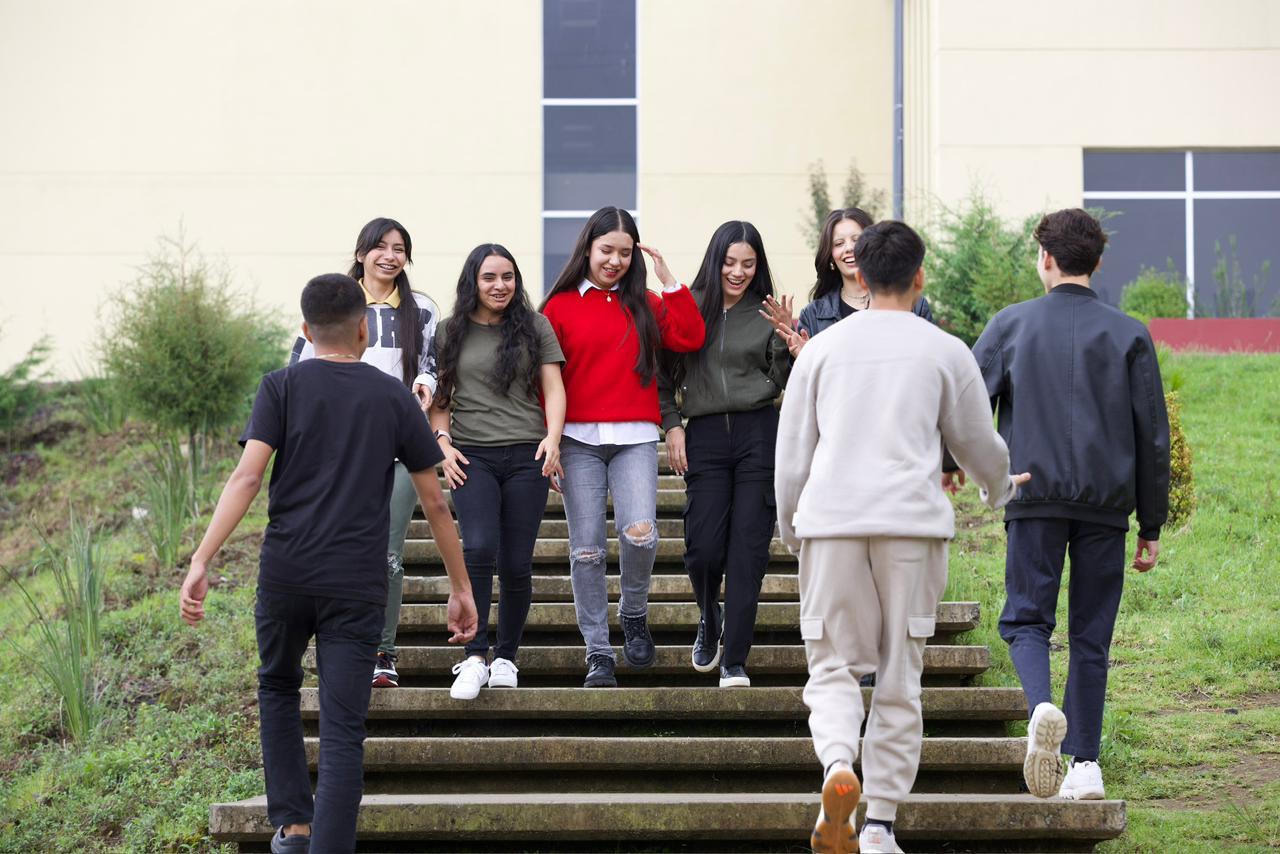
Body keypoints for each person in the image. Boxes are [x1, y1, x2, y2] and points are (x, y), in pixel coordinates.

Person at [179, 274, 475, 853]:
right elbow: (436, 501)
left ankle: (292, 827)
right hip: (356, 582)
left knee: (278, 687)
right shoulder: (391, 396)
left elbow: (246, 477)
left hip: (287, 573)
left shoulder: (280, 386)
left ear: (304, 329)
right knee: (343, 728)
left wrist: (200, 558)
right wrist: (459, 587)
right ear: (365, 329)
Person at [777, 221, 1026, 854]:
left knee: (831, 666)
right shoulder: (944, 350)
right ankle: (881, 821)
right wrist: (999, 489)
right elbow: (977, 442)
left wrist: (791, 526)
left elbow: (793, 455)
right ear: (919, 278)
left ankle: (838, 767)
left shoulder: (824, 350)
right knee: (899, 673)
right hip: (912, 526)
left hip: (832, 521)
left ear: (857, 273)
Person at [971, 208, 1169, 801]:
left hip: (1031, 494)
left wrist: (977, 474)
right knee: (1091, 634)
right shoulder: (1131, 332)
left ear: (1046, 259)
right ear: (1098, 263)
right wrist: (1151, 524)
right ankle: (1085, 765)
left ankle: (1040, 712)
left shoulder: (1010, 325)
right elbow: (1152, 436)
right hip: (1107, 508)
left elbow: (965, 409)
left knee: (1027, 619)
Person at [541, 206, 705, 688]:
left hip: (634, 436)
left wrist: (669, 281)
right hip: (577, 441)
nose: (613, 260)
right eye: (605, 250)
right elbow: (544, 382)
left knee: (641, 535)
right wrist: (548, 440)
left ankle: (633, 611)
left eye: (624, 253)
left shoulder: (647, 304)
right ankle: (598, 651)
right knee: (587, 551)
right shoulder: (560, 306)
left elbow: (691, 336)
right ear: (587, 249)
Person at [289, 217, 442, 690]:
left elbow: (434, 364)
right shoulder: (337, 302)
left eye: (399, 248)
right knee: (336, 549)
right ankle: (338, 644)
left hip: (397, 445)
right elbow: (299, 363)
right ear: (361, 253)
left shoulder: (421, 309)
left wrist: (425, 386)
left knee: (387, 554)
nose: (390, 256)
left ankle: (382, 653)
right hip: (338, 449)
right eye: (380, 247)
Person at [430, 244, 567, 700]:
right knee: (480, 546)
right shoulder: (450, 331)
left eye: (507, 277)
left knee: (516, 560)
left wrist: (552, 437)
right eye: (490, 277)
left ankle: (506, 655)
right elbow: (442, 398)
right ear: (473, 280)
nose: (500, 286)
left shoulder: (535, 326)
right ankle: (474, 655)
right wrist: (442, 445)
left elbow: (553, 385)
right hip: (473, 456)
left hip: (528, 454)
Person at [659, 220, 790, 689]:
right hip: (706, 436)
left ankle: (734, 659)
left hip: (760, 434)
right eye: (730, 262)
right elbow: (659, 373)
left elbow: (786, 382)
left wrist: (786, 340)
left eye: (748, 264)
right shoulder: (689, 307)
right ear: (715, 260)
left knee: (747, 552)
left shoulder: (767, 311)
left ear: (759, 267)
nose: (738, 272)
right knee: (703, 548)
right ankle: (708, 616)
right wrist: (672, 425)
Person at [762, 207, 933, 359]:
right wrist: (803, 358)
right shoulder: (814, 315)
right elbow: (796, 383)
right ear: (830, 256)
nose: (849, 248)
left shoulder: (915, 305)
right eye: (839, 243)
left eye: (856, 240)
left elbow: (928, 360)